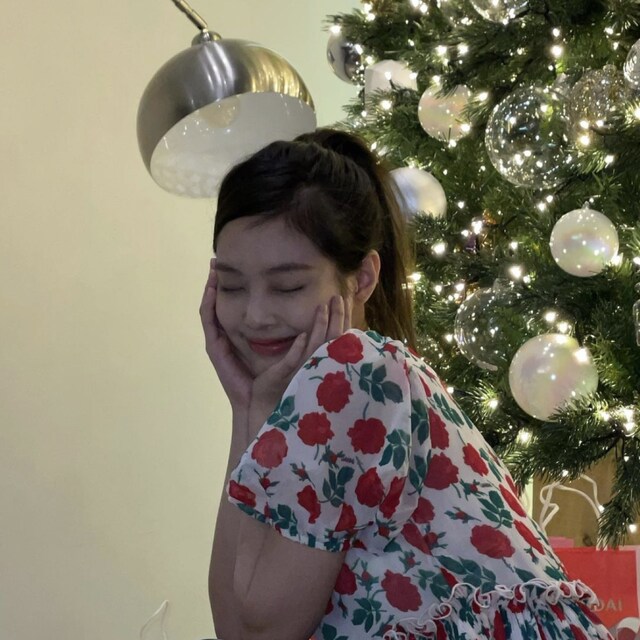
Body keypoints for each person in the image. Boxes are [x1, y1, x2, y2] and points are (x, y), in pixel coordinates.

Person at [199, 128, 612, 640]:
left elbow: (260, 633)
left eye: (288, 286)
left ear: (362, 278)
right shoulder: (378, 371)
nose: (255, 315)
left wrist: (255, 411)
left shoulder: (353, 367)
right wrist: (248, 408)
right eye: (232, 285)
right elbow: (236, 625)